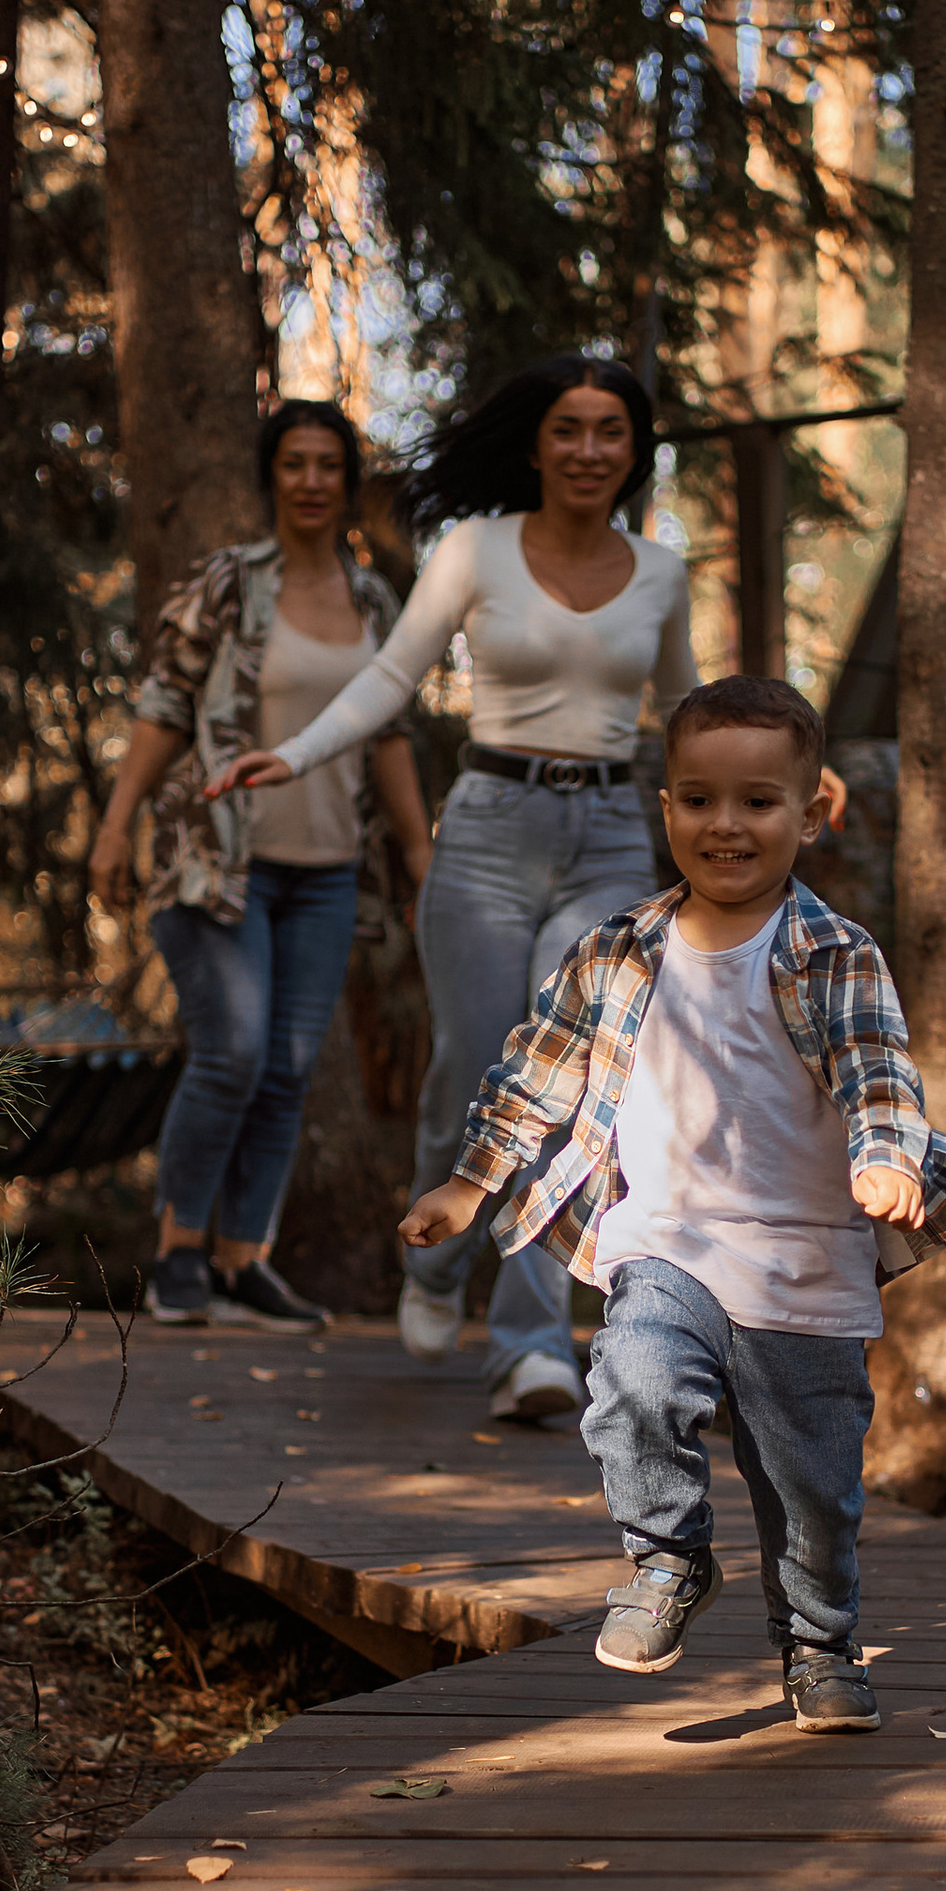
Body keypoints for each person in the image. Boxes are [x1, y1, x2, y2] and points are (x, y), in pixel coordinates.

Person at [399, 675, 946, 1731]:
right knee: (633, 1380)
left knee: (814, 1499)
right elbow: (538, 1071)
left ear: (809, 813)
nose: (725, 826)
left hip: (804, 1267)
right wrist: (471, 1180)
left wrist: (886, 1159)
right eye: (698, 799)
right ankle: (667, 1563)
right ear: (664, 810)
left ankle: (821, 1644)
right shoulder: (616, 949)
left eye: (756, 802)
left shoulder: (834, 954)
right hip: (664, 1243)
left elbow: (881, 1073)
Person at [204, 352, 689, 1426]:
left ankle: (529, 1346)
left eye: (611, 431)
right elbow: (389, 675)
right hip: (486, 834)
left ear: (634, 451)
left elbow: (690, 704)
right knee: (470, 1074)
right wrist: (295, 752)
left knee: (564, 1088)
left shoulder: (659, 572)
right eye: (568, 428)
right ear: (534, 445)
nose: (589, 449)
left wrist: (791, 767)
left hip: (608, 834)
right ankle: (433, 1265)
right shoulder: (475, 550)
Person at [89, 399, 432, 1331]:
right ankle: (177, 1258)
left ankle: (246, 1261)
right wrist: (116, 828)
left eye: (330, 465)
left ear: (348, 482)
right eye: (295, 464)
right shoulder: (229, 584)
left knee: (284, 1069)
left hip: (325, 873)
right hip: (216, 864)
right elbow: (163, 705)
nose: (313, 481)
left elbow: (389, 732)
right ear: (270, 477)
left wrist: (416, 849)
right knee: (234, 1052)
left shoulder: (373, 603)